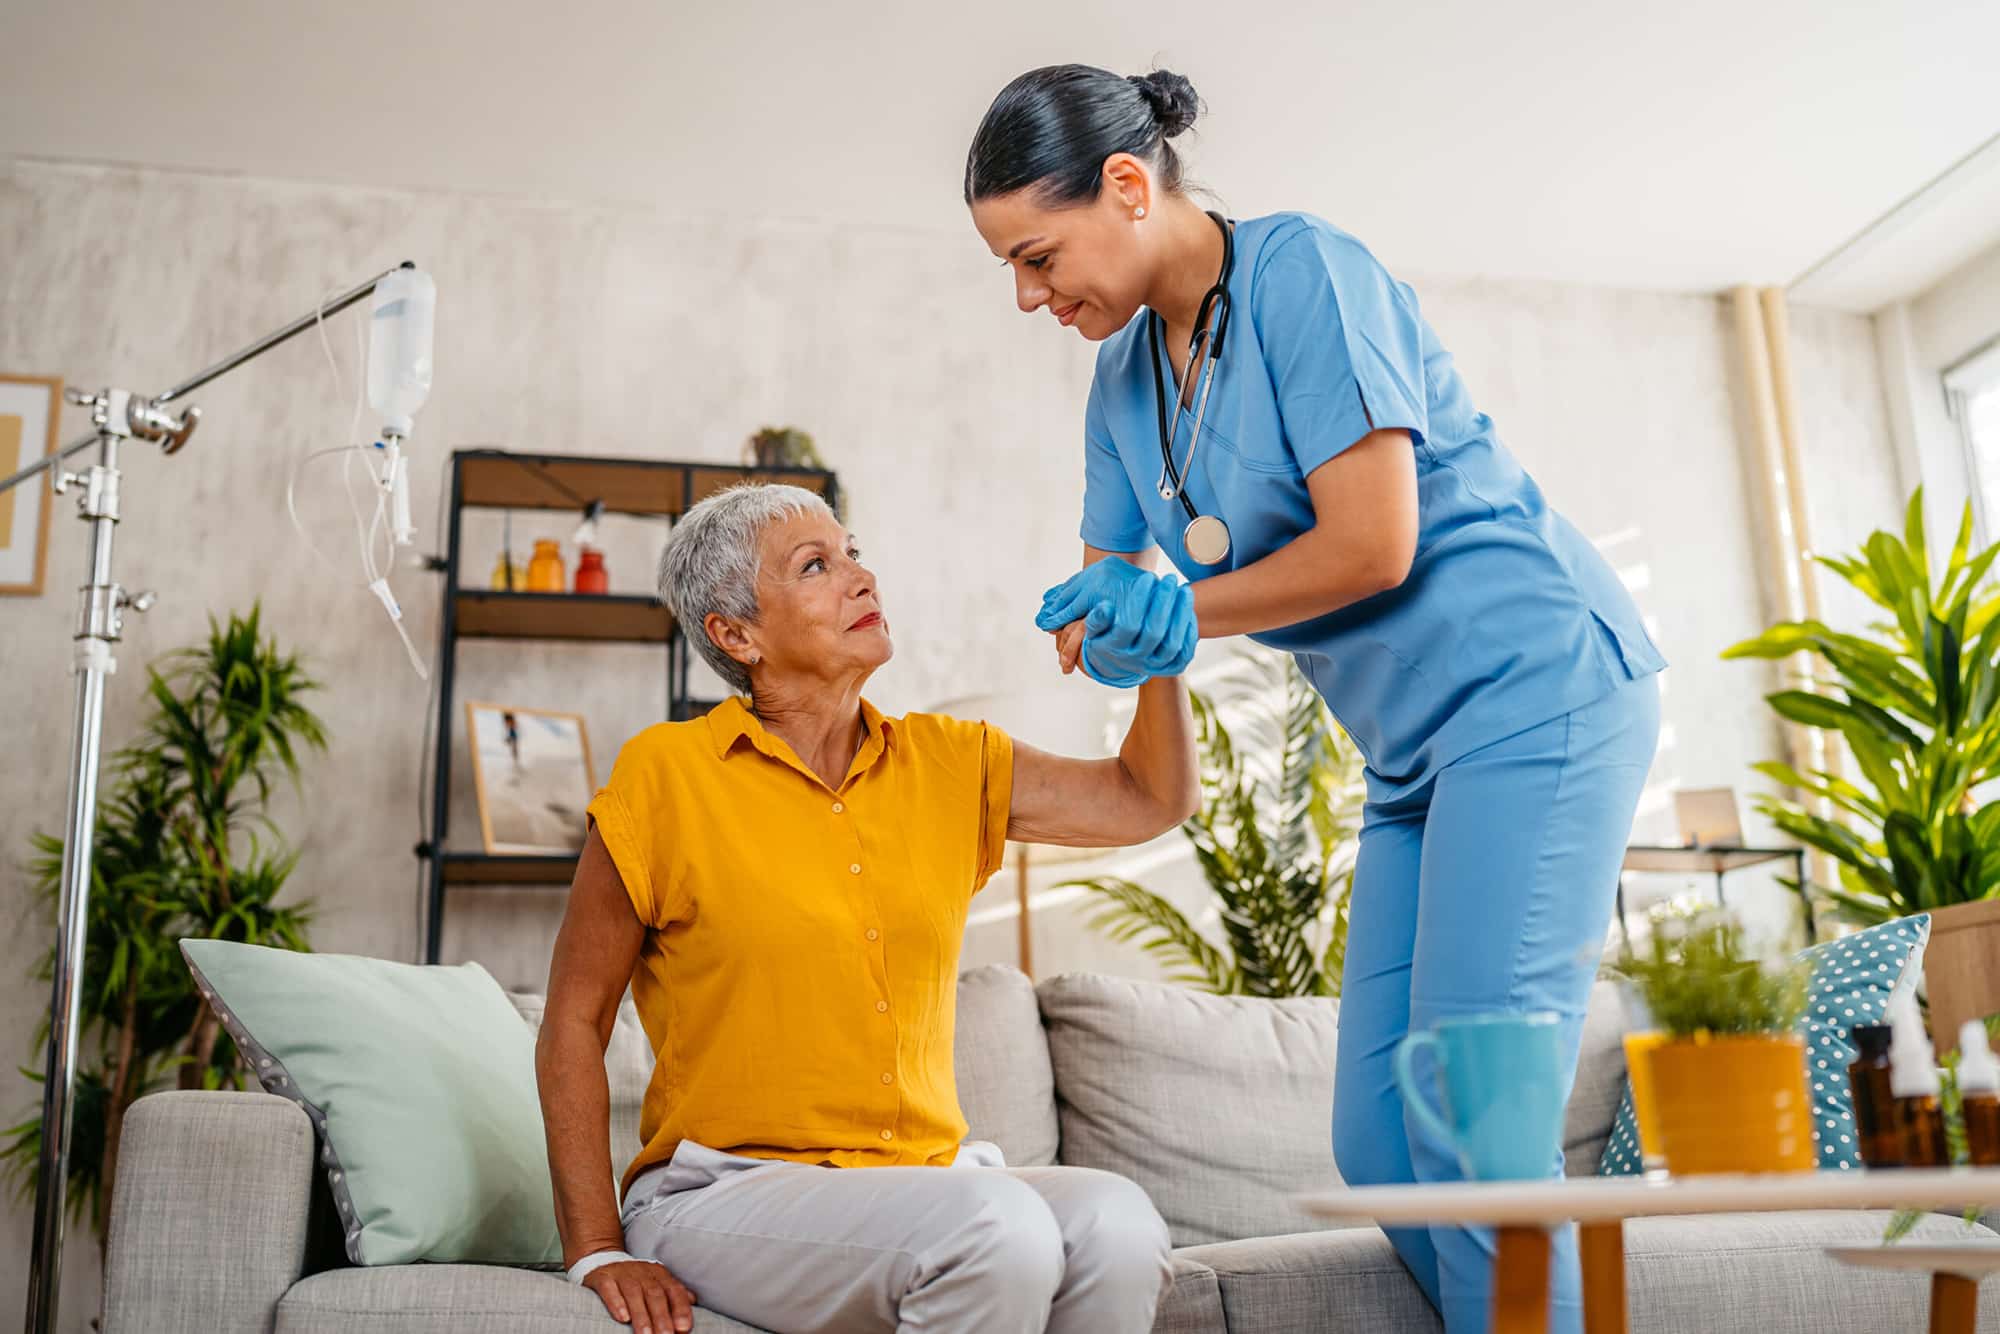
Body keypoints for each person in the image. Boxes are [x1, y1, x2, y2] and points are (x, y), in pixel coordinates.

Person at [966, 64, 1665, 1334]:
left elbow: (1371, 544)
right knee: (1384, 1143)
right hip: (1411, 760)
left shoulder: (1304, 273)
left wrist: (1168, 605)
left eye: (1036, 252)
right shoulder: (1121, 388)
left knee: (1477, 1115)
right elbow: (1117, 601)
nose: (1027, 292)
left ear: (1126, 186)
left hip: (1537, 693)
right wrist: (1108, 637)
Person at [536, 483, 1198, 1334]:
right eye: (817, 566)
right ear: (736, 635)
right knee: (997, 1230)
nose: (861, 577)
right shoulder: (665, 775)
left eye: (854, 552)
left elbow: (1148, 799)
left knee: (1118, 1222)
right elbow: (573, 1021)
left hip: (922, 1182)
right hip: (725, 1192)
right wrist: (597, 1246)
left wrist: (1159, 655)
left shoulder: (950, 764)